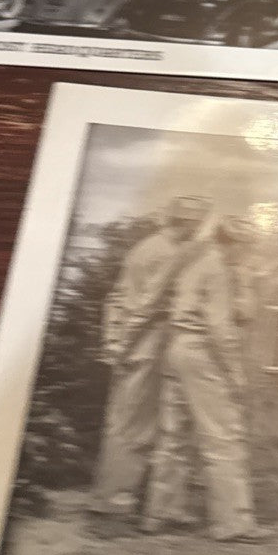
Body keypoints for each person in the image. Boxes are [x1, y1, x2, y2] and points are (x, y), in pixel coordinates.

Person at [88, 196, 208, 534]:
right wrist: (123, 343)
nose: (195, 228)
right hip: (150, 346)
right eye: (192, 222)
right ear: (182, 221)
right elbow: (146, 304)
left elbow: (118, 297)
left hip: (138, 344)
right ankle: (116, 503)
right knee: (140, 427)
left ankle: (136, 502)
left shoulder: (145, 247)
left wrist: (112, 340)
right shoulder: (170, 253)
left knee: (135, 423)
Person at [155, 210, 268, 542]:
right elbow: (222, 330)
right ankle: (233, 523)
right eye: (245, 245)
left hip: (177, 348)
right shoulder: (218, 270)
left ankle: (162, 511)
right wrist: (235, 374)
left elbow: (244, 313)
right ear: (230, 241)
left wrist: (244, 280)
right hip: (203, 353)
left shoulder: (194, 261)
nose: (247, 252)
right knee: (224, 437)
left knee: (172, 436)